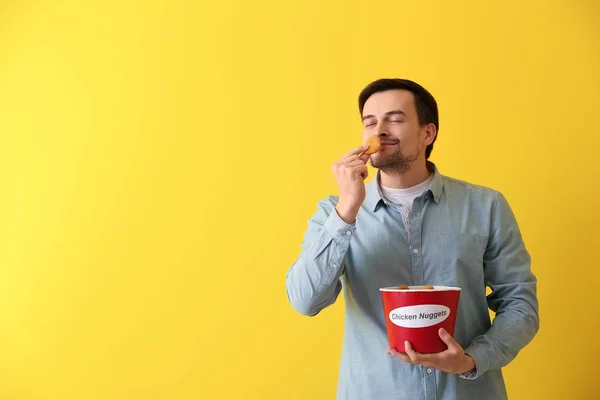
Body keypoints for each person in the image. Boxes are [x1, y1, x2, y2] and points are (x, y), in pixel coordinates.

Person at [285, 78, 539, 400]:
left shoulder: (485, 206)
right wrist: (347, 209)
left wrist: (471, 359)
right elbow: (305, 301)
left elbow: (520, 303)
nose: (379, 131)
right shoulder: (333, 213)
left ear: (427, 133)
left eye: (395, 118)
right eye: (370, 122)